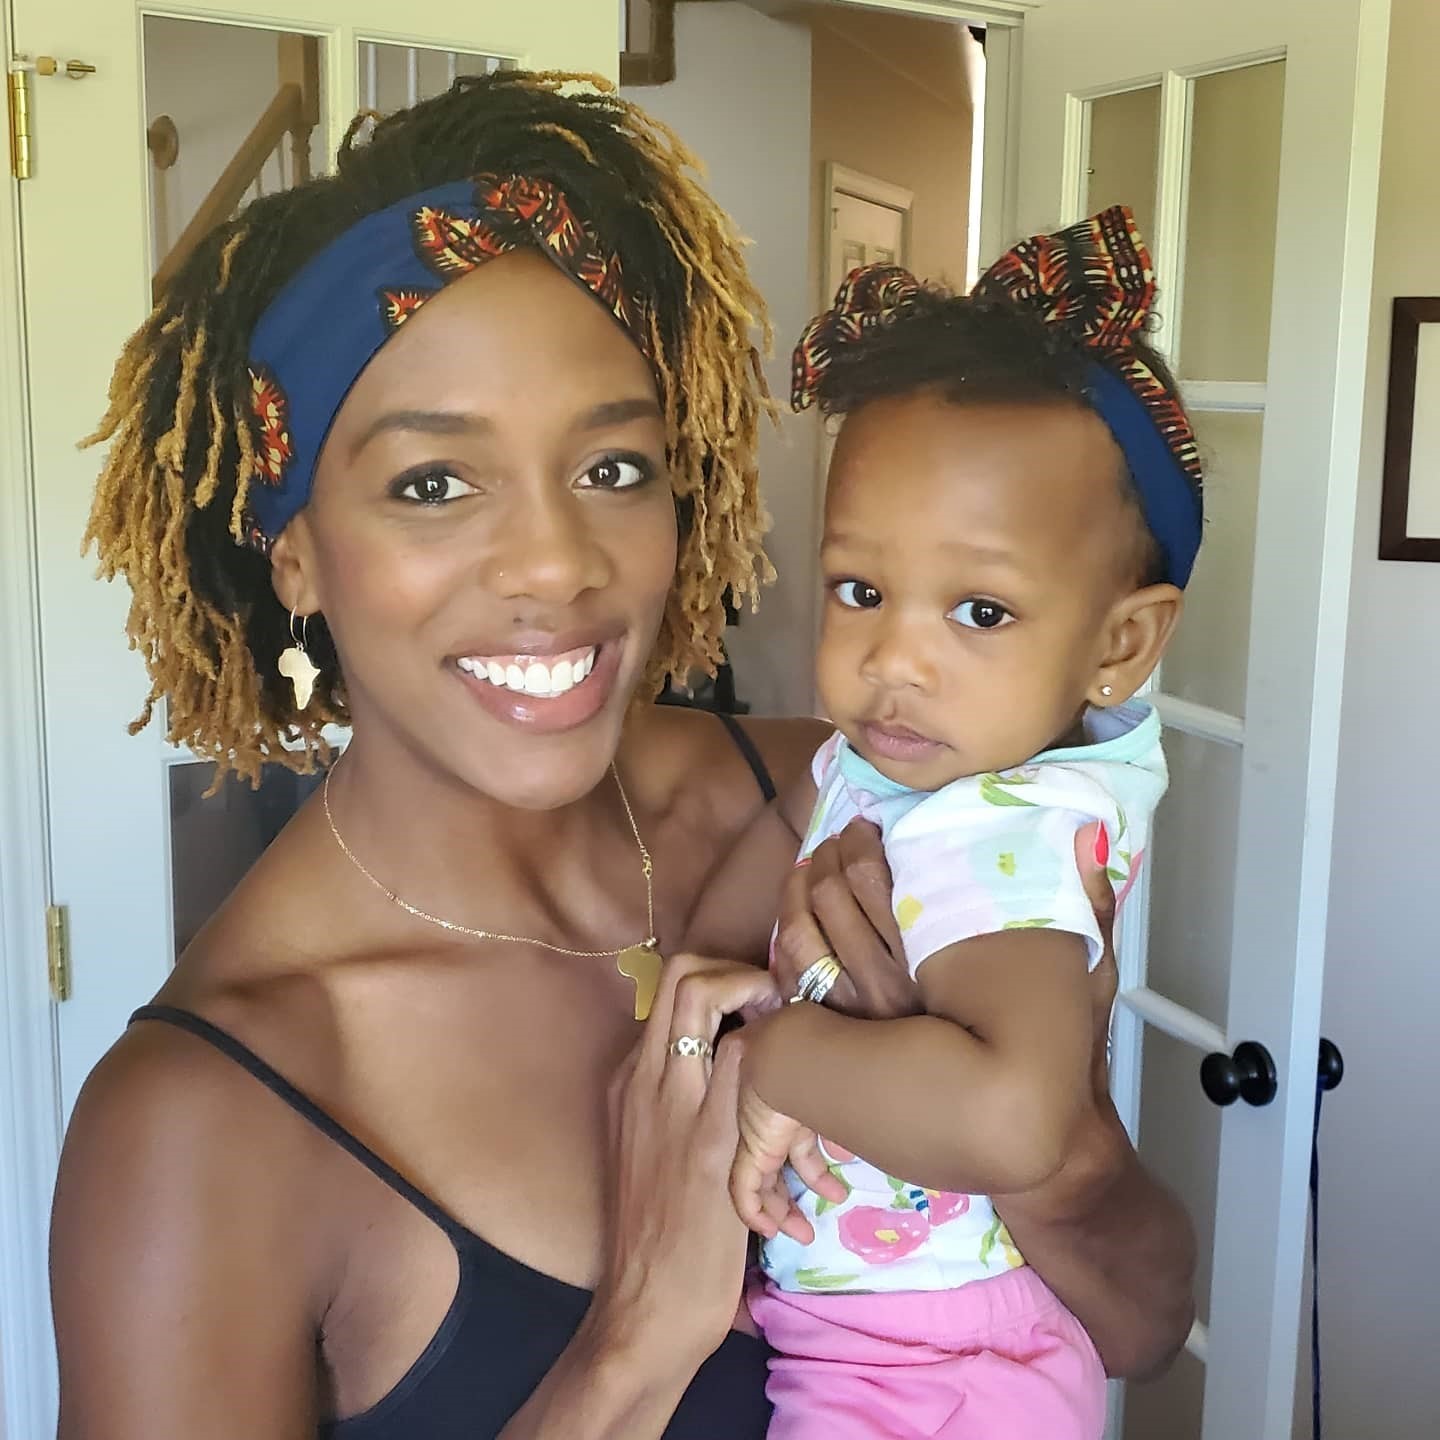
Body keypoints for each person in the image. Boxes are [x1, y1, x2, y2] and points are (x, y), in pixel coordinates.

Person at [49, 72, 1194, 1440]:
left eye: (613, 469)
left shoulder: (851, 804)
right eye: (432, 484)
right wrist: (634, 1345)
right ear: (293, 550)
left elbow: (1139, 1326)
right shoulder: (204, 1123)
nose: (556, 564)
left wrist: (1048, 1150)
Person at [684, 213, 1202, 1439]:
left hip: (944, 1364)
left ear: (1122, 643)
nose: (893, 660)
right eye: (861, 590)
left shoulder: (1006, 829)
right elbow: (769, 937)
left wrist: (775, 1060)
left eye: (979, 610)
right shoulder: (884, 773)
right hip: (892, 1337)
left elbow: (1013, 1121)